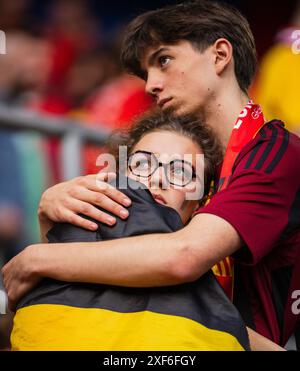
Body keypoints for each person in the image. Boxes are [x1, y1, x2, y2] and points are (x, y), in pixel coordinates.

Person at [3, 0, 300, 348]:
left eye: (164, 60)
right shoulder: (188, 168)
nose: (150, 86)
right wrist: (51, 220)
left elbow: (182, 258)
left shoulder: (275, 151)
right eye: (146, 74)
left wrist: (40, 257)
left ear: (220, 55)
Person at [10, 112, 252, 351]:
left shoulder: (208, 287)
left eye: (181, 172)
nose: (158, 178)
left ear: (199, 204)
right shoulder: (62, 247)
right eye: (143, 164)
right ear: (119, 175)